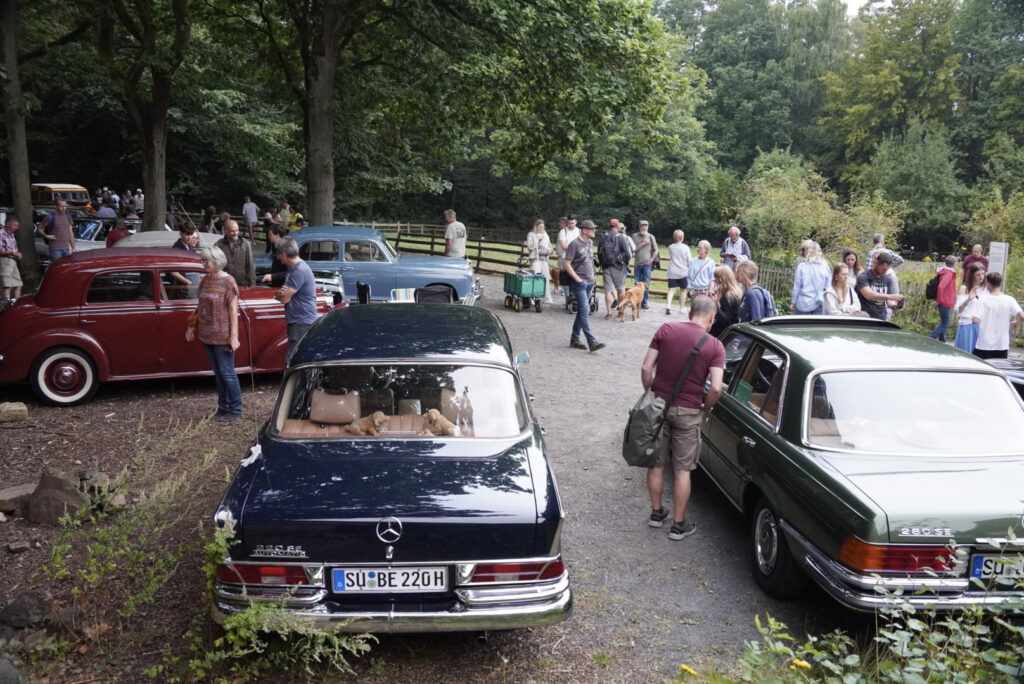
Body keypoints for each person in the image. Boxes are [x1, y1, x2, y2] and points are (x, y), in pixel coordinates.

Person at [640, 295, 724, 540]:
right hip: (689, 411)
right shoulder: (715, 346)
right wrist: (703, 408)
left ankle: (656, 514)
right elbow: (716, 388)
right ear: (711, 319)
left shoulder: (666, 330)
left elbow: (646, 368)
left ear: (690, 314)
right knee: (682, 469)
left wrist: (651, 393)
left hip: (659, 406)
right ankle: (678, 525)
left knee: (656, 463)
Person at [185, 246, 242, 422]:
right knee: (218, 373)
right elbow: (201, 305)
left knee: (227, 373)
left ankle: (235, 408)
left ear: (216, 262)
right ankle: (223, 407)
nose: (203, 264)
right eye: (202, 260)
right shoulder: (206, 280)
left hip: (222, 336)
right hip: (206, 334)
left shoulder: (228, 282)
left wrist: (234, 337)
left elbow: (233, 310)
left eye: (206, 261)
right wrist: (191, 325)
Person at [274, 236, 319, 364]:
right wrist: (279, 294)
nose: (277, 258)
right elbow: (280, 295)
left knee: (292, 360)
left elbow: (284, 298)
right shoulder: (294, 269)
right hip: (298, 320)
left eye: (278, 254)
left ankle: (294, 384)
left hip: (301, 321)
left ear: (283, 254)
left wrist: (280, 295)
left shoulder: (299, 271)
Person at [563, 220, 605, 352]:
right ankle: (591, 341)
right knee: (585, 310)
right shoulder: (574, 244)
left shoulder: (590, 242)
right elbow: (566, 263)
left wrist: (593, 276)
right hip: (580, 283)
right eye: (591, 229)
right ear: (584, 230)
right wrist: (577, 278)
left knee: (582, 311)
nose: (594, 231)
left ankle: (574, 339)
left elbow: (589, 260)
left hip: (590, 281)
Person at [973, 272, 1024, 359]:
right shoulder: (1009, 300)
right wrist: (1016, 322)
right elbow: (1022, 316)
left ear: (988, 284)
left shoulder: (982, 299)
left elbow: (975, 320)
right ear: (1000, 283)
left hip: (984, 343)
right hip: (1002, 344)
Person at [598, 219, 632, 318]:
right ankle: (621, 311)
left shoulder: (603, 237)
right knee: (620, 289)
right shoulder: (621, 237)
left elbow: (599, 252)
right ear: (617, 226)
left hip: (606, 266)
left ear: (610, 226)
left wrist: (602, 264)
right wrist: (626, 262)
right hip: (618, 266)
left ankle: (609, 313)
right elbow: (628, 253)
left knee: (607, 290)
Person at [856, 251, 904, 320]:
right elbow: (868, 295)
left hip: (881, 317)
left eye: (887, 269)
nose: (885, 271)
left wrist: (896, 306)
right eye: (883, 269)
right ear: (876, 263)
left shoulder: (888, 279)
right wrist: (890, 296)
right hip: (865, 317)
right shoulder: (864, 276)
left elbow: (889, 302)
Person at [790, 240, 830, 315]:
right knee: (816, 326)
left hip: (802, 303)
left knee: (799, 326)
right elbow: (828, 287)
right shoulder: (825, 267)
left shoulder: (802, 266)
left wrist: (793, 302)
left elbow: (797, 286)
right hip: (819, 302)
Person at [954, 263, 986, 354]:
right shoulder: (964, 288)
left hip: (980, 326)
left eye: (983, 274)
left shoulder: (985, 290)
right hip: (967, 324)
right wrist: (969, 299)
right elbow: (958, 310)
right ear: (972, 275)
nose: (981, 277)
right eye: (978, 274)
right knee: (964, 354)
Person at [928, 256, 958, 342]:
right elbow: (941, 287)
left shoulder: (945, 272)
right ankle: (931, 337)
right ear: (954, 264)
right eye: (956, 263)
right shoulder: (949, 274)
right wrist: (939, 300)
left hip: (944, 300)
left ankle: (942, 340)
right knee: (946, 323)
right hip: (945, 300)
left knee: (944, 321)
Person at [217, 219, 255, 287]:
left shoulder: (245, 244)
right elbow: (216, 267)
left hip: (244, 284)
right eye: (232, 231)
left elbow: (250, 266)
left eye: (237, 230)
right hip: (226, 285)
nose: (235, 233)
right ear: (225, 230)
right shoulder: (219, 245)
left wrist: (252, 285)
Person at [524, 219, 554, 304]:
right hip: (536, 259)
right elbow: (529, 246)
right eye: (540, 227)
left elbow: (550, 245)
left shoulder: (545, 234)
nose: (542, 228)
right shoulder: (531, 234)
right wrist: (537, 239)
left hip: (545, 259)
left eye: (543, 227)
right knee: (535, 278)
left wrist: (551, 251)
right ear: (536, 226)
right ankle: (532, 298)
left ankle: (547, 298)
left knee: (546, 279)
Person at [631, 220, 658, 310]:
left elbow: (656, 250)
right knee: (636, 284)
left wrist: (652, 259)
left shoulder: (651, 237)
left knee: (646, 284)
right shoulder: (635, 236)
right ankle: (635, 301)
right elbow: (633, 249)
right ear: (639, 226)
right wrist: (643, 243)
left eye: (646, 226)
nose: (644, 227)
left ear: (648, 227)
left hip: (647, 264)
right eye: (642, 226)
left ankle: (644, 302)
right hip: (637, 264)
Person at [710, 265, 742, 337]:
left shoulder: (729, 296)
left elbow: (726, 319)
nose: (715, 280)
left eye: (716, 277)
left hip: (725, 334)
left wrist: (714, 304)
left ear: (721, 279)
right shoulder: (726, 293)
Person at [664, 230, 691, 314]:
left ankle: (668, 306)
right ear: (682, 237)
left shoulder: (671, 247)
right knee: (683, 290)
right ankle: (681, 308)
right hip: (683, 271)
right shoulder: (686, 247)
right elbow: (689, 260)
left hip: (672, 271)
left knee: (671, 290)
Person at [556, 215, 580, 303]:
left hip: (577, 259)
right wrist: (576, 247)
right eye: (569, 223)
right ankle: (567, 298)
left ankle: (575, 297)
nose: (571, 225)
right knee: (566, 279)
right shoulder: (563, 232)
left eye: (572, 223)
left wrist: (571, 246)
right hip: (565, 257)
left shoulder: (579, 231)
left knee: (576, 277)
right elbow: (563, 246)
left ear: (576, 222)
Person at [1, 216, 23, 304]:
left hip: (13, 261)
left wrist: (18, 254)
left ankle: (17, 304)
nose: (17, 228)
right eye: (15, 225)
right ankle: (6, 304)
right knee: (7, 285)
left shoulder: (11, 234)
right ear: (7, 224)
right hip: (5, 261)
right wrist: (10, 253)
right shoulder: (1, 233)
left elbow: (14, 248)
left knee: (18, 284)